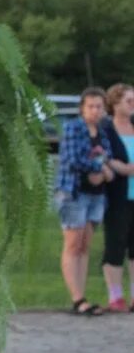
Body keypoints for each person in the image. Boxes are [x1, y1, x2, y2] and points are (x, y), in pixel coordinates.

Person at [56, 86, 114, 316]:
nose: (95, 111)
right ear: (82, 108)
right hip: (74, 192)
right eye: (91, 106)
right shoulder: (73, 128)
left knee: (85, 245)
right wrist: (99, 167)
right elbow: (72, 158)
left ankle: (83, 293)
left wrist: (103, 169)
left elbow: (106, 153)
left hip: (96, 194)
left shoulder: (102, 131)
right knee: (72, 242)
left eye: (99, 106)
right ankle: (76, 298)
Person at [100, 83, 134, 312]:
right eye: (128, 101)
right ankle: (115, 295)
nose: (132, 105)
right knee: (115, 243)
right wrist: (123, 168)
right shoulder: (107, 128)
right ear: (115, 103)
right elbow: (102, 155)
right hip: (118, 194)